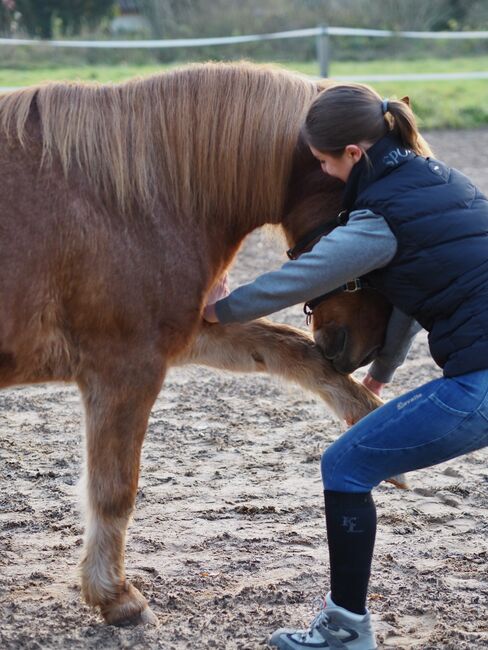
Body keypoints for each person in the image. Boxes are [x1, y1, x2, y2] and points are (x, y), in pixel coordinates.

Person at [203, 82, 488, 649]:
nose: (325, 174)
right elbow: (410, 298)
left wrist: (217, 310)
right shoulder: (442, 181)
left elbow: (303, 278)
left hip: (479, 384)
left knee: (347, 467)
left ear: (354, 154)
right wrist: (381, 373)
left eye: (324, 162)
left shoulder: (377, 216)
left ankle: (346, 629)